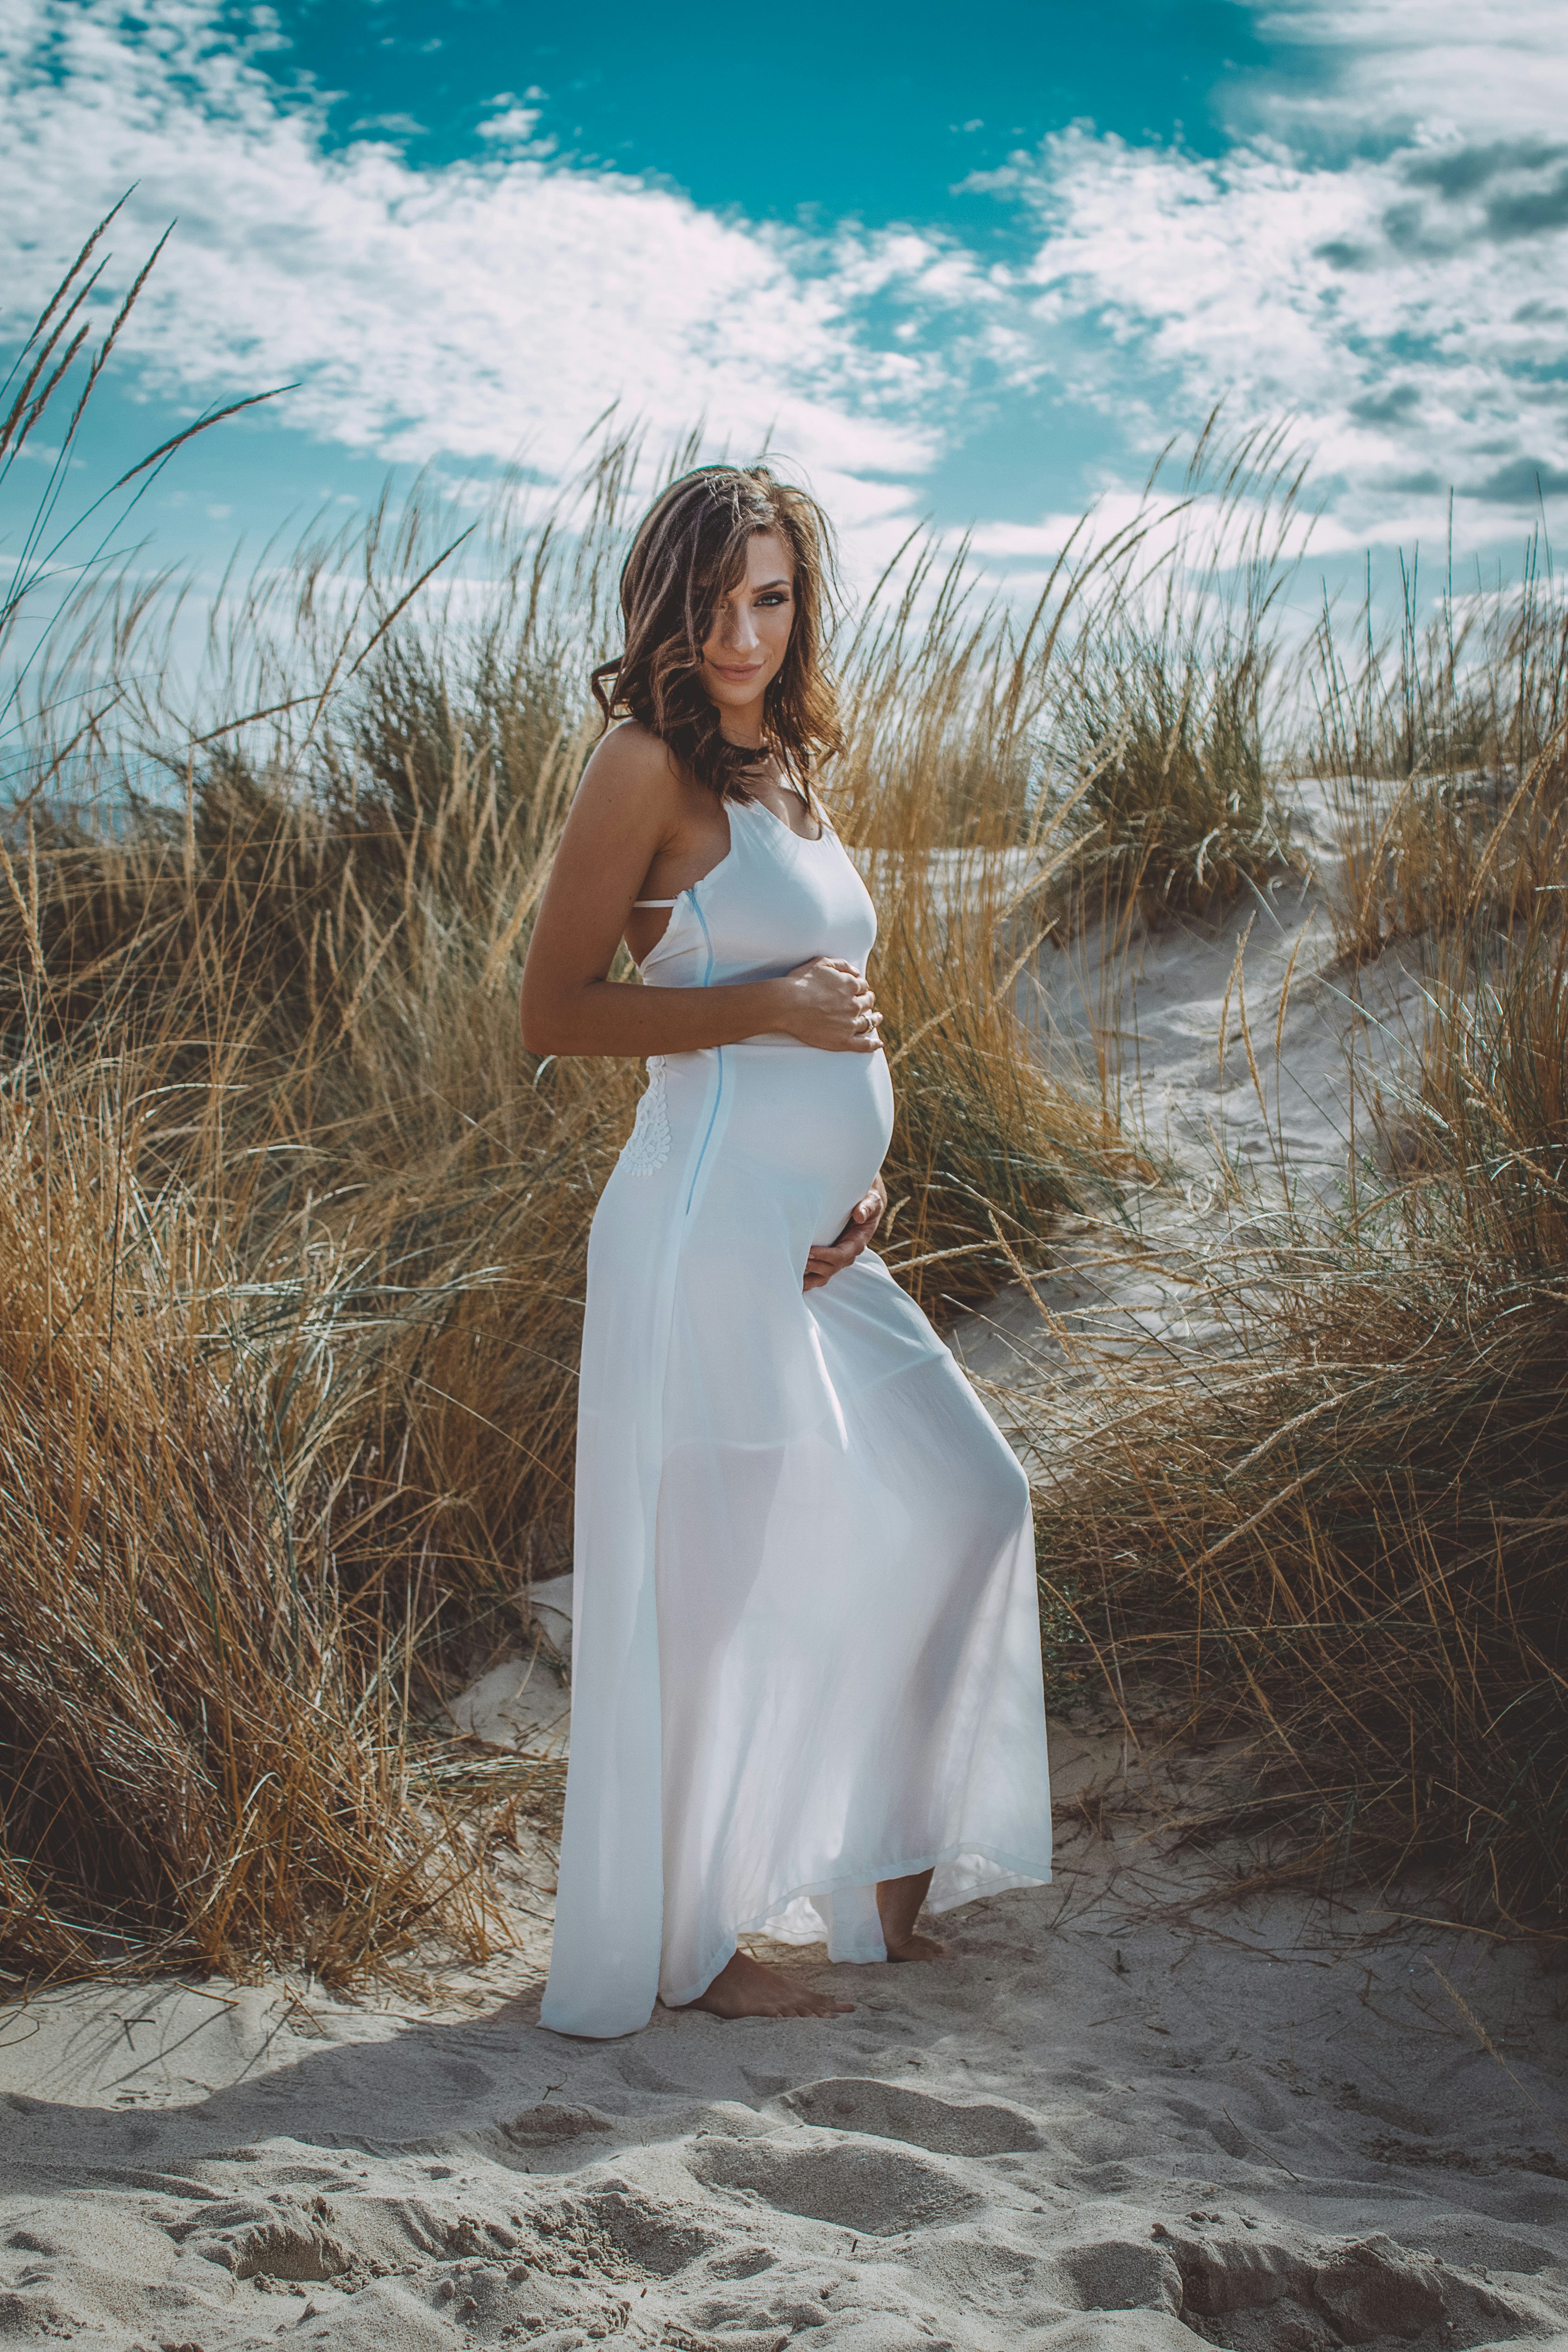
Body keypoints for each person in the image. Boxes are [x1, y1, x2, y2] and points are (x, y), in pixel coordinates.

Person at [521, 464, 1051, 2036]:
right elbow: (553, 1012)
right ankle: (687, 1948)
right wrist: (762, 1011)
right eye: (713, 598)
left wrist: (856, 1183)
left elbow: (823, 1014)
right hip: (698, 1235)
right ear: (663, 607)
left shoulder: (785, 768)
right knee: (719, 1586)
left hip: (815, 1247)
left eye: (770, 594)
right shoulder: (641, 765)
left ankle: (881, 1877)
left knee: (970, 1498)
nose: (741, 629)